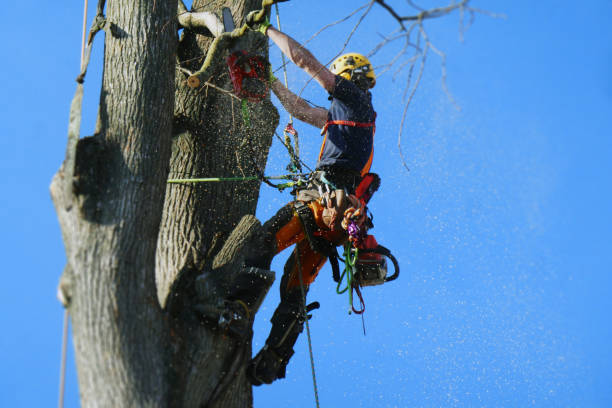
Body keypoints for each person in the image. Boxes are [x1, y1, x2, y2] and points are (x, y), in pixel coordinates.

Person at [244, 15, 381, 386]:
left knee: (259, 245)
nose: (330, 90)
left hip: (323, 204)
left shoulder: (353, 98)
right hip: (332, 225)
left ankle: (236, 308)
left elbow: (306, 62)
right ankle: (273, 357)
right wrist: (269, 80)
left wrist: (265, 31)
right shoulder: (351, 118)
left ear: (348, 77)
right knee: (294, 286)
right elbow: (300, 109)